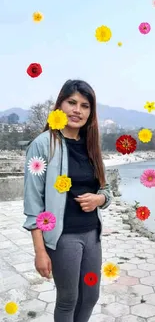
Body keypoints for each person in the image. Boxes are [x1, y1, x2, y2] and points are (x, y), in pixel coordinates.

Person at [23, 79, 112, 322]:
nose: (77, 110)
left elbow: (107, 190)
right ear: (59, 105)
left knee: (90, 295)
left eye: (85, 106)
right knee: (68, 299)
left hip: (92, 236)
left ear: (90, 112)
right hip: (63, 239)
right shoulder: (43, 145)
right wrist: (40, 251)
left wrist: (99, 198)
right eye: (71, 102)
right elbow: (33, 204)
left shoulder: (91, 146)